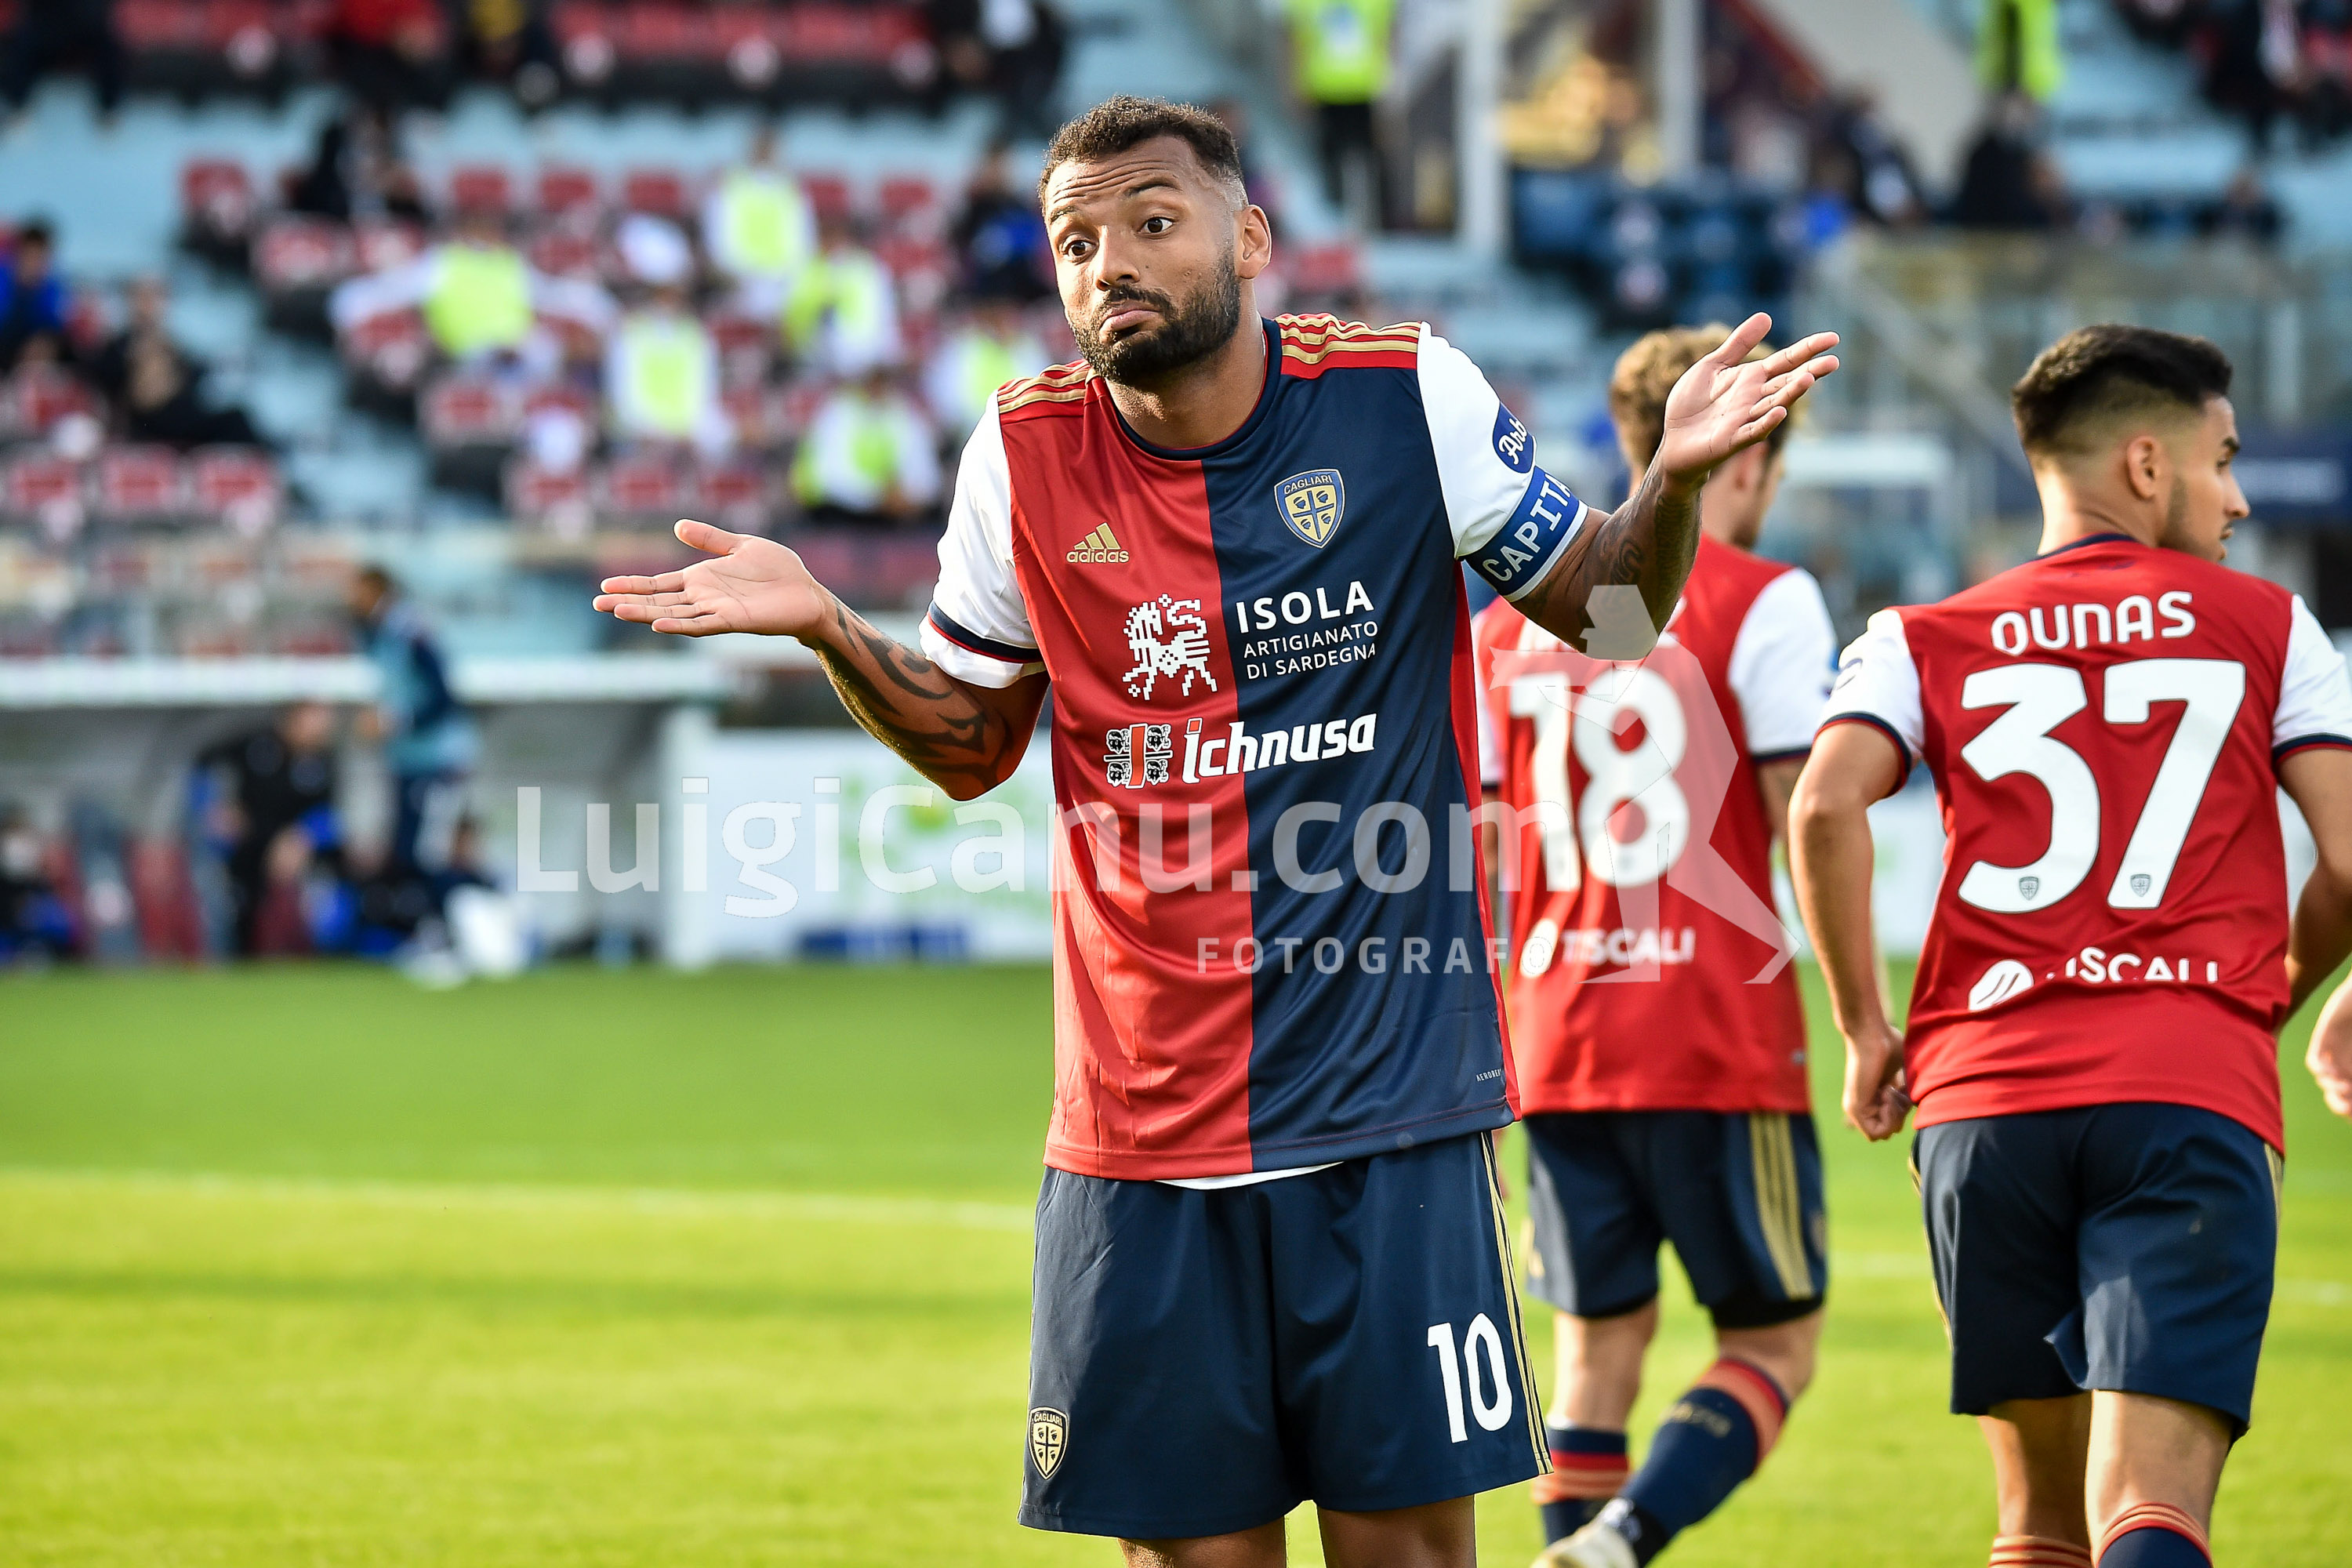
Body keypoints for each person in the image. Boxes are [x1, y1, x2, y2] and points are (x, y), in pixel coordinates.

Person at [593, 94, 1836, 1567]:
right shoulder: (1022, 456)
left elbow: (1615, 617)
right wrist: (828, 628)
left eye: (1152, 221)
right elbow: (973, 749)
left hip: (1389, 1123)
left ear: (1249, 238)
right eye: (1076, 243)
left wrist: (1671, 485)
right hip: (1141, 1141)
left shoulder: (1402, 395)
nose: (1109, 262)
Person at [1788, 324, 2352, 1568]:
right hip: (2183, 1092)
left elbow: (1823, 806)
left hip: (1984, 1106)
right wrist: (2277, 995)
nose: (2239, 498)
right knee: (2151, 1510)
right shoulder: (2271, 623)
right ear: (2147, 465)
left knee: (2038, 1527)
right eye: (2224, 460)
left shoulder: (1919, 633)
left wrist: (1864, 1029)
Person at [1474, 326, 1837, 1568]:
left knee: (1594, 1349)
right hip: (1714, 1033)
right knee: (1774, 1341)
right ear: (1751, 459)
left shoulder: (1507, 631)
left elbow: (1482, 858)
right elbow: (1804, 813)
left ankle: (1582, 1543)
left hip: (1557, 1037)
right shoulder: (1766, 598)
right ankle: (1626, 1535)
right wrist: (1861, 1010)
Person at [329, 203, 614, 377]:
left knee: (545, 352)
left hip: (516, 354)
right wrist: (350, 308)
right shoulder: (443, 263)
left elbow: (556, 296)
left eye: (489, 229)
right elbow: (388, 291)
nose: (484, 236)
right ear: (463, 231)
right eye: (477, 229)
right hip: (465, 356)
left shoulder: (509, 263)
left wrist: (600, 311)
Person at [350, 565, 477, 879]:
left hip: (435, 760)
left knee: (427, 856)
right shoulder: (381, 632)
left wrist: (394, 721)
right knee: (403, 852)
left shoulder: (411, 632)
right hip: (408, 760)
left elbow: (443, 697)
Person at [193, 703, 343, 957]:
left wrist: (304, 838)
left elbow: (332, 814)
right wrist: (212, 806)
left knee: (325, 901)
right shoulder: (255, 746)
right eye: (315, 715)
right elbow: (204, 762)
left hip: (296, 852)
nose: (324, 724)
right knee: (231, 907)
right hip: (246, 847)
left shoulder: (324, 760)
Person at [91, 278, 269, 450]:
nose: (150, 304)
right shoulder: (116, 347)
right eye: (143, 296)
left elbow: (197, 376)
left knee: (237, 420)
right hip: (144, 425)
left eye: (157, 296)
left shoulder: (171, 343)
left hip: (181, 418)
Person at [606, 217, 731, 458]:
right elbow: (622, 400)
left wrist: (688, 434)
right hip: (640, 438)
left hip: (686, 437)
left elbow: (705, 395)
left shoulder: (695, 335)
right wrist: (651, 432)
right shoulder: (629, 333)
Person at [1286, 0, 1395, 224]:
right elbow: (1296, 42)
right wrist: (1297, 85)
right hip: (1326, 89)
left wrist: (1389, 88)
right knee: (1330, 160)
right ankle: (1335, 219)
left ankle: (1384, 220)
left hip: (1365, 89)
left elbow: (1387, 39)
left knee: (1374, 156)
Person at [791, 365, 943, 525]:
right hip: (837, 519)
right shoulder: (838, 412)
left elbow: (927, 481)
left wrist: (906, 496)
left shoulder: (905, 416)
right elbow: (829, 479)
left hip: (892, 522)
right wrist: (879, 497)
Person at [702, 123, 818, 316]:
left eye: (769, 148)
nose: (765, 153)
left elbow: (804, 237)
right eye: (761, 147)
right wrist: (728, 271)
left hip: (782, 280)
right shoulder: (729, 185)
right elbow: (716, 232)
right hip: (739, 280)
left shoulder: (791, 189)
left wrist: (793, 274)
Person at [783, 215, 904, 379]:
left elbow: (884, 314)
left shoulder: (867, 268)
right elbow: (790, 316)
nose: (834, 244)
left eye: (837, 238)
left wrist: (889, 353)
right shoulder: (804, 268)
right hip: (813, 356)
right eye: (827, 236)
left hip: (864, 356)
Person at [924, 297, 1049, 440]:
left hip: (1019, 431)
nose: (1005, 322)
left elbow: (1038, 392)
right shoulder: (965, 346)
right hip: (974, 432)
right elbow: (951, 401)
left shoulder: (1027, 346)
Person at [953, 143, 1054, 304]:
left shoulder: (1017, 206)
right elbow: (964, 249)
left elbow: (1033, 241)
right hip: (985, 291)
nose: (999, 173)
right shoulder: (973, 209)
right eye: (994, 166)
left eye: (1003, 166)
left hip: (1021, 287)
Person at [0, 0, 123, 126]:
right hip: (45, 28)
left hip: (87, 27)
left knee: (108, 49)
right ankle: (15, 106)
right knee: (23, 47)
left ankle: (109, 109)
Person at [0, 220, 71, 374]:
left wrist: (44, 343)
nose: (35, 263)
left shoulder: (52, 287)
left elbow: (53, 326)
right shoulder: (3, 280)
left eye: (41, 257)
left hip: (30, 356)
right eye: (31, 255)